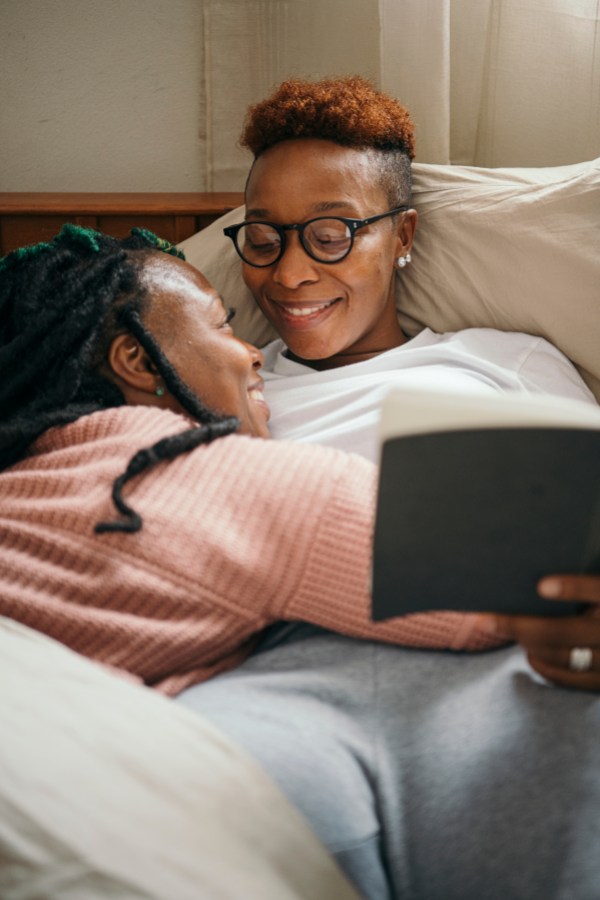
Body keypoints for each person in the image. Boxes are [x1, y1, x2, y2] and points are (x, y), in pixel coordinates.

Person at [177, 77, 600, 899]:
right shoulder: (220, 383)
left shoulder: (504, 360)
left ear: (402, 235)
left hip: (509, 671)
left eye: (332, 234)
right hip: (282, 678)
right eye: (263, 238)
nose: (290, 273)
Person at [0, 223, 511, 698]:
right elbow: (508, 593)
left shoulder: (25, 479)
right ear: (139, 362)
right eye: (221, 325)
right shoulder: (231, 481)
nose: (253, 352)